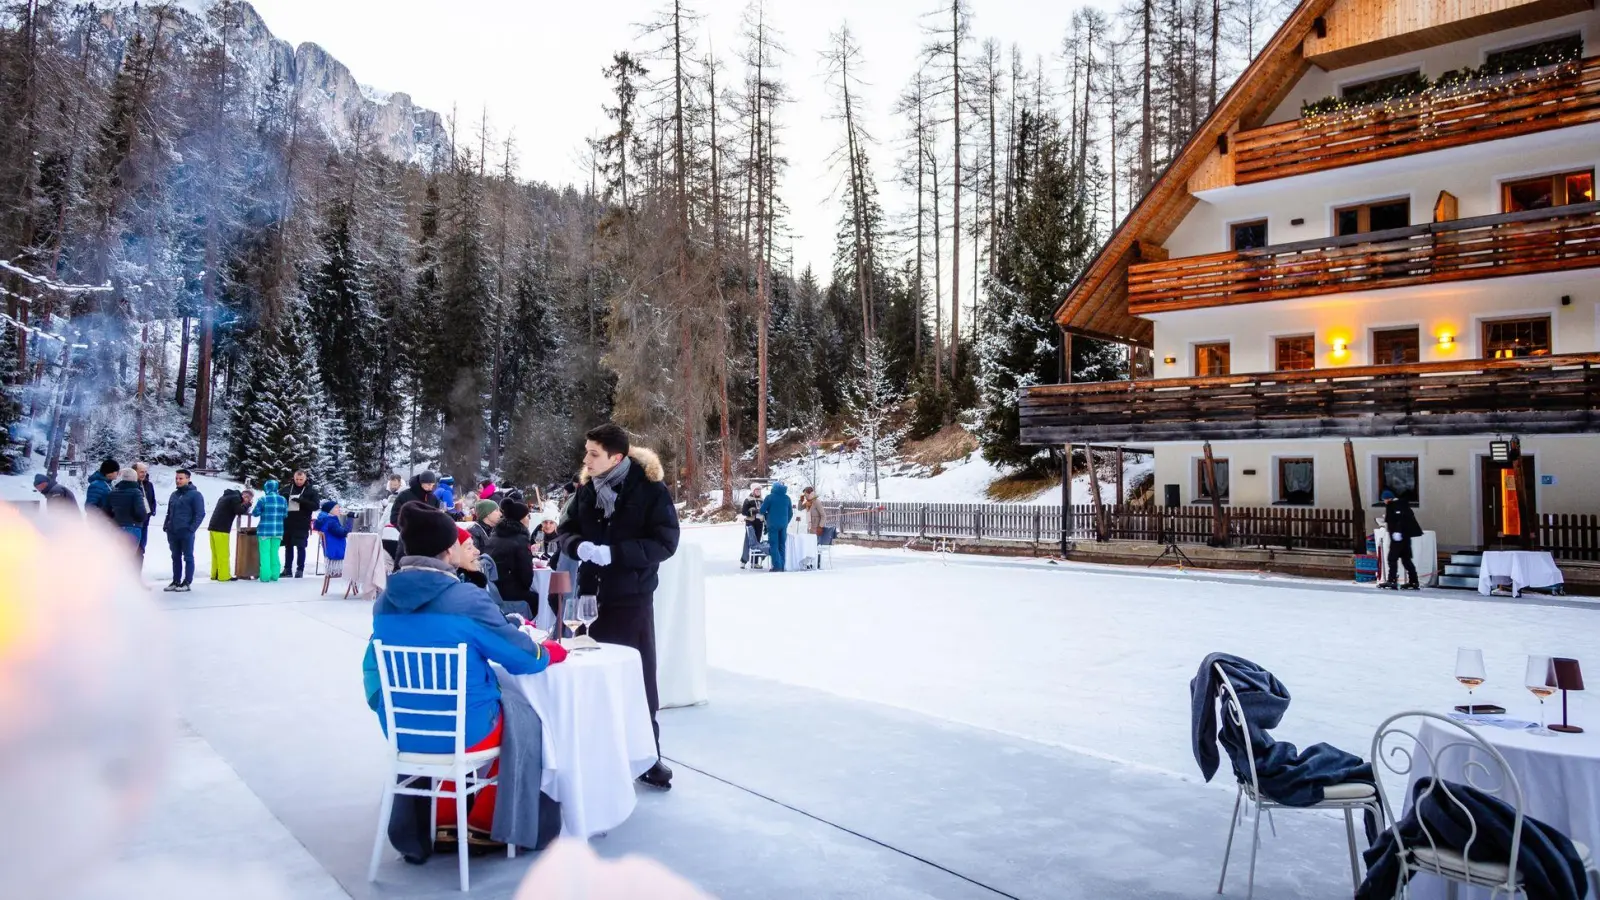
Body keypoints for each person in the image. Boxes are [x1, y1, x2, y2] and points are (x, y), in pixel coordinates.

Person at [362, 501, 565, 857]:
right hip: (465, 730)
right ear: (446, 550)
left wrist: (389, 708)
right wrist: (548, 653)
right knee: (526, 718)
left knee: (476, 712)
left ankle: (439, 819)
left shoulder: (385, 603)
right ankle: (486, 823)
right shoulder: (465, 598)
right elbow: (519, 659)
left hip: (402, 728)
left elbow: (372, 668)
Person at [555, 423, 680, 789]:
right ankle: (596, 754)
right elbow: (565, 530)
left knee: (638, 677)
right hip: (590, 596)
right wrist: (578, 546)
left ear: (617, 457)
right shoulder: (586, 490)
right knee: (592, 675)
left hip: (632, 597)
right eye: (587, 451)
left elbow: (666, 542)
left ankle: (649, 755)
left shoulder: (650, 489)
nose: (586, 459)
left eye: (594, 453)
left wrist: (617, 553)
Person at [486, 498, 539, 620]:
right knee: (539, 599)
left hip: (494, 587)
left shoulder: (496, 534)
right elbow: (526, 576)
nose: (529, 519)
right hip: (507, 591)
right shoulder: (520, 539)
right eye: (528, 516)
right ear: (521, 519)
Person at [162, 468, 206, 592]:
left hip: (186, 531)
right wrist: (166, 525)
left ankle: (187, 582)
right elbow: (169, 512)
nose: (178, 481)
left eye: (181, 478)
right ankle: (176, 581)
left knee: (188, 557)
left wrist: (191, 529)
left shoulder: (195, 495)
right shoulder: (174, 495)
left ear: (188, 479)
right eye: (176, 478)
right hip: (173, 531)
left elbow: (200, 514)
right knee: (175, 556)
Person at [1380, 489, 1424, 591]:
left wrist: (1397, 531)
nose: (1384, 502)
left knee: (1392, 558)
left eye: (1384, 500)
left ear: (1388, 499)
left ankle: (1392, 580)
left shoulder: (1394, 505)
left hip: (1398, 537)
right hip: (1405, 537)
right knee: (1406, 559)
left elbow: (1399, 519)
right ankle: (1414, 580)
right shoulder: (1403, 504)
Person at [281, 470, 321, 579]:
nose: (298, 481)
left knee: (301, 546)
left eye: (301, 479)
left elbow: (316, 506)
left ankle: (300, 569)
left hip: (302, 522)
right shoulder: (287, 489)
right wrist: (283, 498)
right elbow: (278, 502)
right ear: (293, 478)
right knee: (288, 546)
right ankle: (287, 569)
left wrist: (302, 501)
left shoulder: (311, 491)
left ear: (305, 479)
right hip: (288, 521)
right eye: (297, 479)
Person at [207, 487, 250, 582]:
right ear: (244, 496)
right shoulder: (235, 498)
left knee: (215, 553)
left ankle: (215, 574)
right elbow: (239, 510)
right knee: (223, 553)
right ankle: (224, 575)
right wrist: (247, 504)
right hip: (222, 528)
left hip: (213, 527)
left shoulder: (225, 497)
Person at [252, 479, 288, 582]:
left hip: (264, 531)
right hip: (278, 531)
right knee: (274, 553)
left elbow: (255, 513)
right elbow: (285, 514)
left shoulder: (263, 499)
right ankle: (275, 575)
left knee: (265, 553)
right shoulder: (283, 500)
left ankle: (265, 577)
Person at [108, 468, 149, 549]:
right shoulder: (136, 492)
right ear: (135, 478)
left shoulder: (112, 492)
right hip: (132, 528)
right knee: (129, 557)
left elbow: (106, 511)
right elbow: (141, 513)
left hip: (116, 528)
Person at [760, 482, 793, 573]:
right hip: (783, 526)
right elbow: (790, 513)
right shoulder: (787, 498)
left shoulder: (770, 497)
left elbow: (762, 510)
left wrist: (767, 514)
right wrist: (785, 522)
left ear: (773, 488)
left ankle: (777, 566)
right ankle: (782, 566)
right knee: (782, 545)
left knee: (774, 545)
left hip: (773, 525)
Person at [314, 500, 351, 577]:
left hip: (330, 550)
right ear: (330, 510)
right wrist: (350, 520)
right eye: (337, 508)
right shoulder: (331, 521)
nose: (339, 510)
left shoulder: (323, 519)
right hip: (336, 550)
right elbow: (343, 533)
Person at [134, 462, 157, 561]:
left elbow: (152, 499)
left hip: (146, 520)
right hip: (135, 522)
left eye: (145, 472)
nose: (144, 474)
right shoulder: (131, 485)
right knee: (133, 548)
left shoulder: (149, 485)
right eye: (141, 472)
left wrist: (152, 510)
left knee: (142, 548)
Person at [739, 485, 765, 569]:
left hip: (759, 523)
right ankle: (743, 560)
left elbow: (764, 511)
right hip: (750, 522)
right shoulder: (748, 500)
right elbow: (743, 512)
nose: (758, 492)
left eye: (759, 490)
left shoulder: (762, 500)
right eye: (756, 490)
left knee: (757, 542)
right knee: (748, 541)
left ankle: (755, 562)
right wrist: (751, 511)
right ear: (753, 491)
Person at [380, 474, 404, 560]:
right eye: (391, 484)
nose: (392, 487)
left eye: (395, 485)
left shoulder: (398, 497)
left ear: (400, 483)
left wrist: (379, 534)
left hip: (394, 533)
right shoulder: (391, 496)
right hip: (396, 534)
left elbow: (384, 518)